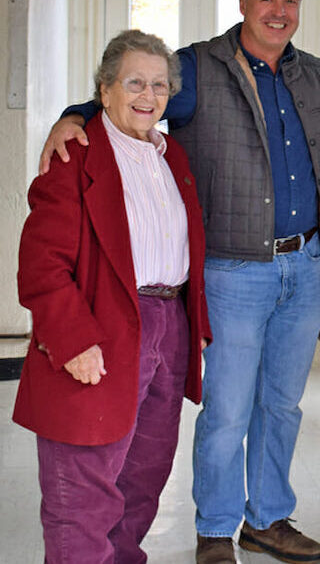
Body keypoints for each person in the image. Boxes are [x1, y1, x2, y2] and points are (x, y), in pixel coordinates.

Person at [38, 0, 320, 564]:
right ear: (243, 3)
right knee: (229, 408)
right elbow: (137, 97)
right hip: (234, 271)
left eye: (290, 0)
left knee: (281, 405)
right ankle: (216, 528)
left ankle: (267, 518)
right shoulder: (196, 66)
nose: (279, 11)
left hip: (303, 267)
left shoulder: (315, 76)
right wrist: (71, 116)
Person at [14, 29, 211, 563]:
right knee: (83, 489)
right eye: (134, 83)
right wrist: (73, 340)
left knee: (142, 479)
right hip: (99, 329)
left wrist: (195, 329)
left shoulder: (173, 157)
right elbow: (41, 265)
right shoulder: (75, 154)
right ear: (104, 91)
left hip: (167, 327)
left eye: (159, 85)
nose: (148, 96)